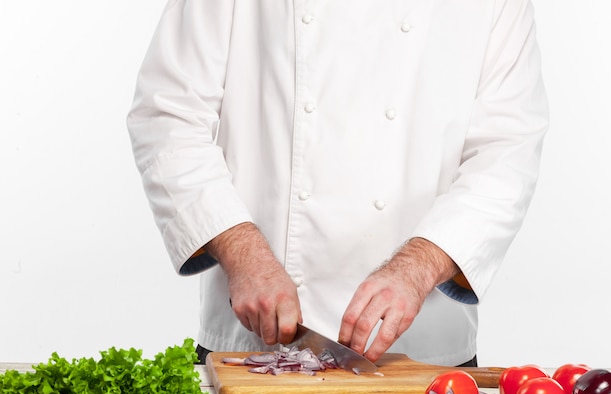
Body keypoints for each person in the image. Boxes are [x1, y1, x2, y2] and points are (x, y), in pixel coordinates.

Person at [127, 0, 548, 367]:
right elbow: (167, 116)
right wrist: (244, 253)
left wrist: (418, 267)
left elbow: (507, 151)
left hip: (422, 351)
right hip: (255, 344)